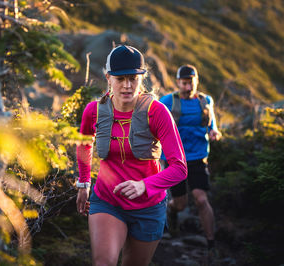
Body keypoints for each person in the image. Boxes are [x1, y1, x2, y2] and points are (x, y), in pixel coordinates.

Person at [75, 45, 187, 266]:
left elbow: (179, 168)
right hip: (107, 201)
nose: (127, 85)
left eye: (133, 78)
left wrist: (145, 185)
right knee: (103, 263)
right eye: (120, 79)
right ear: (108, 78)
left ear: (141, 78)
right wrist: (83, 182)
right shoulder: (93, 110)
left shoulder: (157, 113)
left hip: (149, 205)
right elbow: (84, 144)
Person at [159, 64, 222, 253]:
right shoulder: (167, 101)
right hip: (174, 158)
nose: (188, 87)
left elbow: (212, 123)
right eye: (184, 83)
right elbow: (154, 125)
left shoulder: (205, 101)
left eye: (191, 82)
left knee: (201, 199)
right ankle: (171, 210)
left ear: (197, 81)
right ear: (177, 82)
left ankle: (211, 242)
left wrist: (214, 131)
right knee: (181, 204)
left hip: (198, 156)